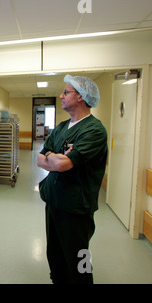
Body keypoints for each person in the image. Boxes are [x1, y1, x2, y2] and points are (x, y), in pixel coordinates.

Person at [37, 74, 108, 284]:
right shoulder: (60, 127)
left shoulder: (94, 130)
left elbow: (62, 165)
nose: (61, 96)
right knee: (55, 254)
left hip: (76, 208)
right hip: (54, 201)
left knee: (79, 259)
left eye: (66, 92)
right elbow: (40, 158)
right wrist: (52, 156)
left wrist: (52, 158)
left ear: (81, 97)